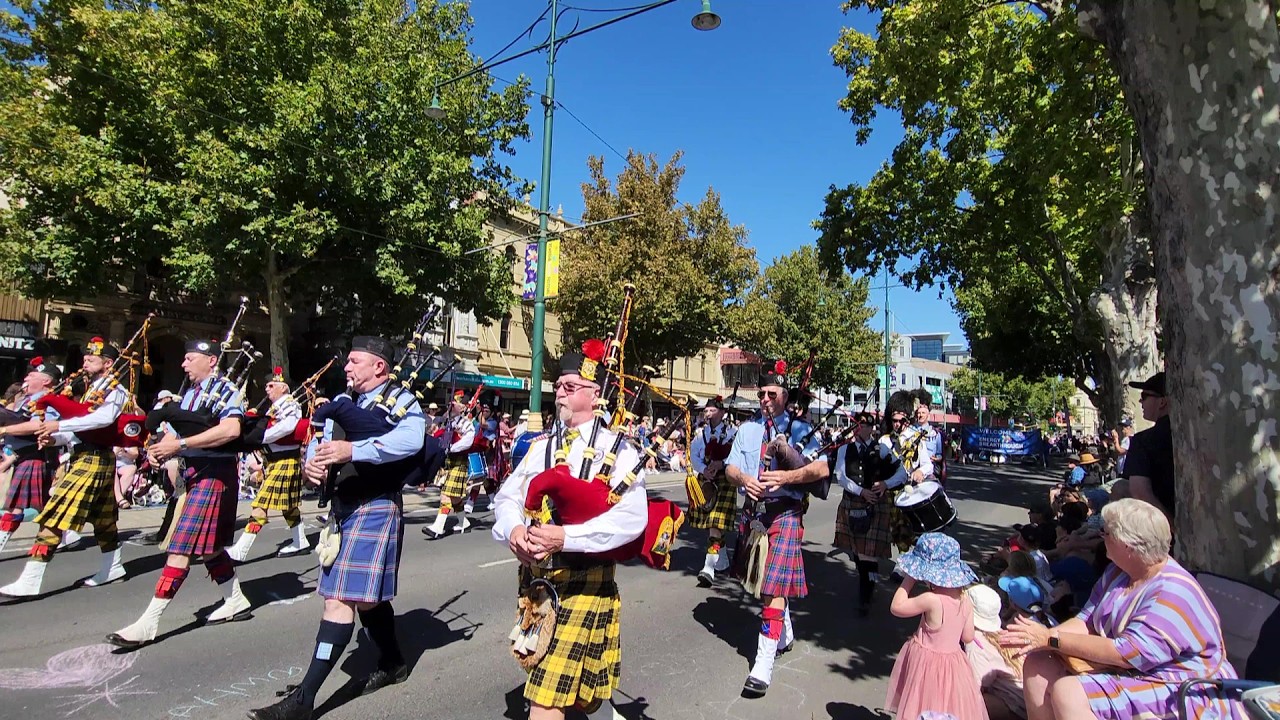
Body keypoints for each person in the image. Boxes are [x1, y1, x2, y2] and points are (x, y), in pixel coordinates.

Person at [249, 335, 424, 720]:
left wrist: (354, 451)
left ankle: (303, 700)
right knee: (367, 599)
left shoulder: (401, 400)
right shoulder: (345, 402)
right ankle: (393, 663)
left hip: (376, 503)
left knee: (339, 597)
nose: (346, 367)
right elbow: (322, 442)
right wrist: (314, 465)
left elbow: (412, 440)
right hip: (344, 507)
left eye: (354, 361)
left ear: (379, 366)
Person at [491, 341, 648, 719]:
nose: (559, 392)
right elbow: (505, 497)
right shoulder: (540, 447)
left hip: (584, 583)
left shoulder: (620, 449)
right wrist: (513, 531)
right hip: (539, 585)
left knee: (546, 698)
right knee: (573, 693)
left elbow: (632, 519)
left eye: (570, 386)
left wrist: (566, 538)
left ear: (595, 394)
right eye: (558, 385)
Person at [1003, 498, 1244, 720]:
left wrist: (1050, 638)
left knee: (1070, 692)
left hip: (1181, 684)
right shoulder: (1118, 573)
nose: (1101, 536)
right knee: (1039, 663)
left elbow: (1126, 654)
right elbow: (1087, 620)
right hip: (1133, 669)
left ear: (1127, 545)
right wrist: (1037, 641)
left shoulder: (1171, 592)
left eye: (1106, 533)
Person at [106, 339, 252, 648]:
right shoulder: (189, 394)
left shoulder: (227, 390)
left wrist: (180, 446)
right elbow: (178, 433)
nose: (183, 364)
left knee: (181, 547)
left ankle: (149, 622)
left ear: (211, 361)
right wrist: (162, 449)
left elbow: (231, 431)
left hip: (214, 474)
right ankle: (235, 599)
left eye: (189, 359)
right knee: (208, 548)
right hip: (192, 473)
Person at [726, 360, 830, 698]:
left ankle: (763, 663)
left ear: (785, 396)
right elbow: (730, 468)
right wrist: (743, 479)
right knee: (757, 581)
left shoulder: (803, 430)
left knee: (772, 587)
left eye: (772, 393)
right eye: (762, 393)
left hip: (785, 512)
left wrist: (787, 476)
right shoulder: (747, 429)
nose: (765, 399)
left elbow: (822, 469)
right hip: (754, 511)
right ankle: (782, 628)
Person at [0, 338, 129, 597]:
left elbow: (101, 420)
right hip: (83, 456)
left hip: (96, 459)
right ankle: (113, 567)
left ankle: (31, 578)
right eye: (85, 357)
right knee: (104, 522)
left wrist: (58, 427)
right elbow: (77, 431)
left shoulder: (116, 390)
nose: (85, 361)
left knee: (54, 515)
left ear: (107, 363)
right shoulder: (89, 390)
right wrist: (54, 438)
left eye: (92, 359)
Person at [884, 532, 987, 720]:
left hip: (926, 664)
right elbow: (968, 637)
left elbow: (896, 607)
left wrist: (910, 578)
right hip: (954, 665)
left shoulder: (931, 600)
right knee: (946, 707)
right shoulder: (965, 600)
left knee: (920, 704)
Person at [227, 366, 309, 561]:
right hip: (275, 461)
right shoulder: (275, 407)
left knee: (260, 505)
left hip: (285, 460)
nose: (267, 388)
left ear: (284, 387)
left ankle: (241, 550)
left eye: (272, 385)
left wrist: (261, 437)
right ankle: (301, 541)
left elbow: (288, 427)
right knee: (288, 506)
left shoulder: (290, 404)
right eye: (266, 385)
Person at [0, 357, 62, 554]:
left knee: (15, 509)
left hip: (36, 458)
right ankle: (66, 535)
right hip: (24, 457)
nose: (26, 377)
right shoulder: (28, 400)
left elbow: (38, 426)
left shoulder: (49, 400)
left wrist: (4, 430)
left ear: (45, 381)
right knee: (46, 508)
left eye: (32, 375)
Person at [832, 411, 892, 613]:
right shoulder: (844, 449)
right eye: (859, 424)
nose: (862, 427)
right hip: (853, 502)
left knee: (870, 554)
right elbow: (840, 476)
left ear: (872, 428)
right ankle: (868, 579)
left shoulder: (883, 449)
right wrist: (861, 491)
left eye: (867, 425)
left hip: (875, 504)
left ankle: (866, 595)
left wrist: (886, 484)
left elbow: (901, 472)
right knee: (859, 553)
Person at [688, 395, 737, 586]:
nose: (708, 413)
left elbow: (736, 454)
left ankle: (708, 566)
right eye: (706, 410)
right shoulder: (701, 434)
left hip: (725, 479)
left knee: (715, 524)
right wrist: (704, 470)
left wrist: (721, 463)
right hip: (706, 480)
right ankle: (722, 560)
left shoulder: (733, 431)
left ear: (723, 412)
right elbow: (693, 456)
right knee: (713, 526)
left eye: (712, 409)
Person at [964, 584, 1026, 720]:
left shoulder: (976, 644)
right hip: (1024, 702)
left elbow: (975, 687)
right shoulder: (1001, 633)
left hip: (1013, 706)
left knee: (965, 699)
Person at [423, 389, 478, 539]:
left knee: (446, 495)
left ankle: (438, 528)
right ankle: (463, 523)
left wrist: (451, 448)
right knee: (455, 498)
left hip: (459, 461)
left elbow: (468, 441)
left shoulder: (467, 424)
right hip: (448, 461)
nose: (451, 407)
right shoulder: (449, 421)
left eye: (455, 405)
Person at [1122, 372, 1174, 519]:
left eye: (1145, 396)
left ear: (1162, 401)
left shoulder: (1143, 441)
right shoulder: (1192, 434)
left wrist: (1172, 528)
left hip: (1162, 529)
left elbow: (1140, 492)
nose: (1140, 401)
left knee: (1119, 488)